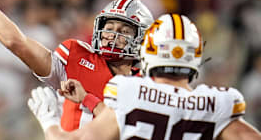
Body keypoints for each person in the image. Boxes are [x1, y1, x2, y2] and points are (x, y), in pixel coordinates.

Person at [0, 0, 154, 130]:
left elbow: (127, 128)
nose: (112, 35)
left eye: (124, 31)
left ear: (142, 38)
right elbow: (17, 43)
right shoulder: (76, 55)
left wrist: (86, 99)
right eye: (109, 28)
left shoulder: (147, 84)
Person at [28, 13, 261, 140]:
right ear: (195, 56)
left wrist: (49, 121)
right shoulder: (214, 104)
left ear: (148, 50)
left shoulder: (130, 92)